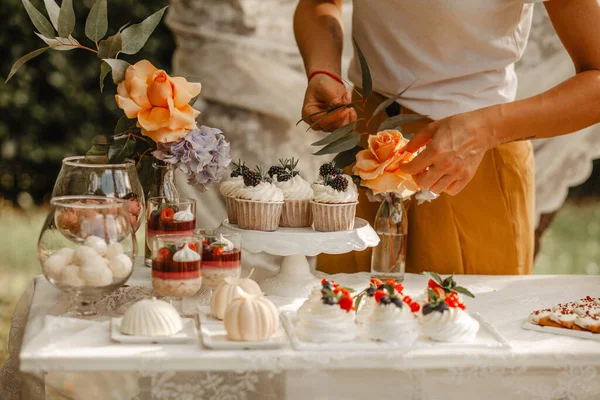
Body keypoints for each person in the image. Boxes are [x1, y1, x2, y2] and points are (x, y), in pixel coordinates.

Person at [294, 0, 600, 275]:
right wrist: (323, 71)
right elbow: (319, 4)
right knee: (339, 324)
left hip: (473, 163)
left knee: (465, 327)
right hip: (364, 155)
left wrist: (485, 130)